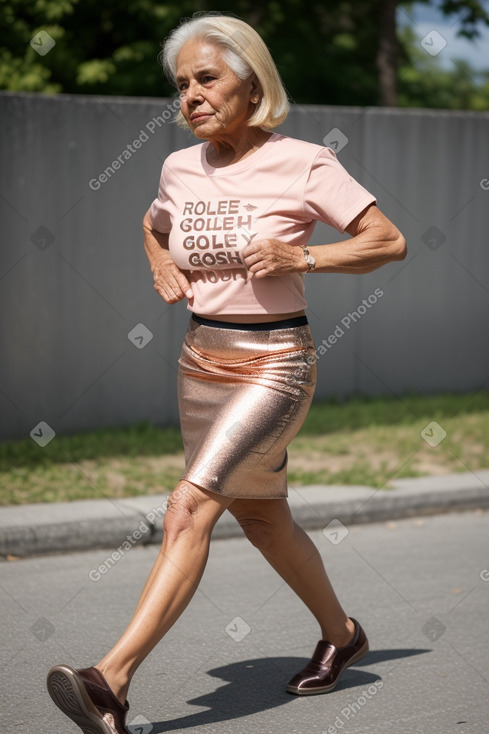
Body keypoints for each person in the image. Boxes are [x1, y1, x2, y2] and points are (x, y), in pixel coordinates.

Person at [46, 12, 406, 734]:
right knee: (264, 517)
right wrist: (160, 267)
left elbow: (385, 240)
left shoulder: (303, 161)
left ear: (252, 82)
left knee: (189, 506)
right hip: (198, 362)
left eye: (206, 78)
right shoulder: (178, 167)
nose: (192, 96)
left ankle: (109, 680)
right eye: (182, 85)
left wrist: (303, 257)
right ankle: (342, 635)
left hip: (274, 363)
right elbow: (153, 225)